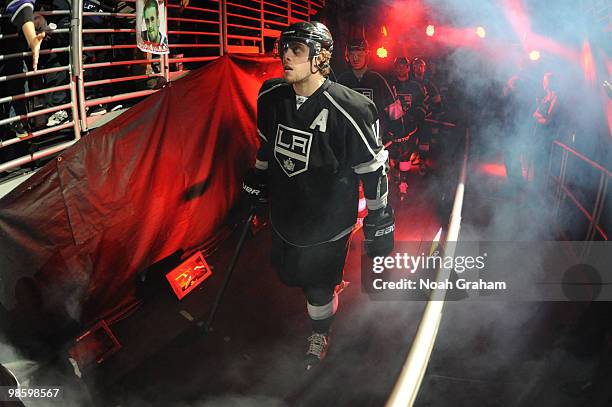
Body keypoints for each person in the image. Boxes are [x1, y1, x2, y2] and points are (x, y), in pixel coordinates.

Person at [243, 22, 394, 370]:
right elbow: (267, 145)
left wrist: (379, 217)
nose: (285, 57)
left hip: (328, 218)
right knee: (289, 273)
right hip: (287, 212)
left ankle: (320, 331)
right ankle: (326, 289)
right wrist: (259, 176)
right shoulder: (270, 96)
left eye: (296, 50)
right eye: (284, 49)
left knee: (317, 289)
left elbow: (372, 168)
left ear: (320, 58)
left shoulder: (351, 107)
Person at [337, 38, 402, 143]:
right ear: (347, 56)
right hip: (349, 137)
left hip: (374, 138)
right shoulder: (343, 80)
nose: (355, 58)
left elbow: (393, 110)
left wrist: (398, 131)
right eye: (352, 55)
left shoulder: (377, 80)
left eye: (360, 55)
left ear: (367, 56)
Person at [0, 0, 45, 138]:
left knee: (17, 73)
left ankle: (18, 121)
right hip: (12, 30)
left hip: (12, 32)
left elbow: (20, 4)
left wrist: (32, 38)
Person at [389, 56, 427, 198]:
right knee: (392, 155)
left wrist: (415, 117)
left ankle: (403, 181)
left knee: (406, 155)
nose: (401, 68)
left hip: (410, 129)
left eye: (403, 66)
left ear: (408, 68)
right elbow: (384, 105)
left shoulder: (415, 87)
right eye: (398, 66)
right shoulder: (389, 85)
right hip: (393, 129)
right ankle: (395, 175)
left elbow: (422, 105)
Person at [411, 57, 443, 174]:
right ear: (413, 67)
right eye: (416, 65)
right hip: (411, 119)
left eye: (421, 66)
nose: (418, 68)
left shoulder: (429, 84)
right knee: (411, 141)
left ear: (424, 68)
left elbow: (438, 102)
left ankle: (422, 162)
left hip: (425, 119)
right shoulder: (408, 83)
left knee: (424, 141)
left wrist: (432, 114)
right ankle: (413, 156)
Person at [531, 71, 558, 189]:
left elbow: (548, 119)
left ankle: (541, 190)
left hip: (547, 137)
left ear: (550, 82)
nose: (543, 83)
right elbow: (534, 114)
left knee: (543, 164)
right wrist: (541, 117)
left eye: (545, 81)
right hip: (538, 134)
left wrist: (540, 117)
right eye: (543, 80)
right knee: (536, 162)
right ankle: (535, 188)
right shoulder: (545, 98)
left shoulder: (555, 97)